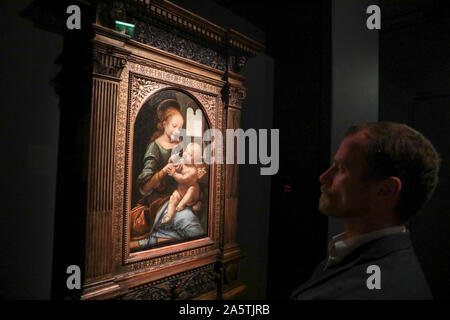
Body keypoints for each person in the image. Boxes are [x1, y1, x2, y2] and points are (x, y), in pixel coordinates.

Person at [291, 122, 441, 300]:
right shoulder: (379, 258)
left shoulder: (366, 290)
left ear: (385, 190)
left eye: (342, 169)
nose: (324, 177)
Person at [129, 99, 204, 250]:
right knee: (193, 228)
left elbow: (192, 164)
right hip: (161, 200)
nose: (178, 131)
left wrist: (198, 171)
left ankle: (157, 237)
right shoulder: (154, 147)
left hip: (182, 192)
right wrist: (164, 170)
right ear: (164, 124)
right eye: (174, 126)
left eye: (180, 127)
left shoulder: (182, 144)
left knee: (195, 223)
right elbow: (144, 187)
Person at [162, 142, 206, 224]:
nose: (185, 154)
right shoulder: (183, 163)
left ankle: (182, 204)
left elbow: (183, 179)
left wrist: (174, 173)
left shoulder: (193, 171)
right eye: (185, 151)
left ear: (195, 159)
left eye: (189, 154)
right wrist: (172, 160)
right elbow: (176, 163)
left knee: (192, 189)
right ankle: (169, 216)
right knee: (173, 198)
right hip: (180, 192)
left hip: (191, 197)